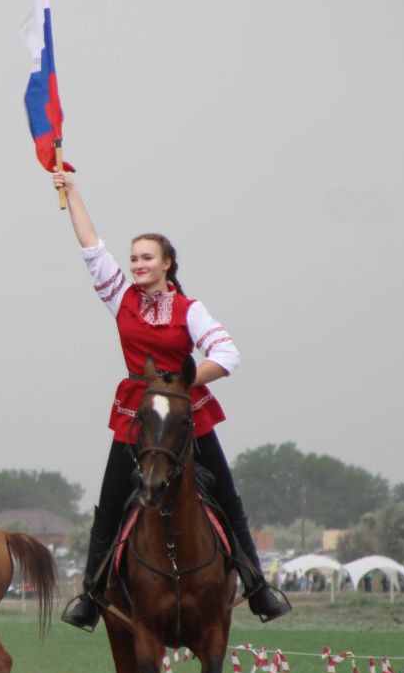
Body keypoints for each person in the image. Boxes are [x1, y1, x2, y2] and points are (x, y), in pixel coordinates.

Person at [51, 170, 291, 631]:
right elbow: (90, 248)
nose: (137, 264)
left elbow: (227, 354)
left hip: (185, 414)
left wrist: (179, 385)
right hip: (135, 416)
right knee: (109, 502)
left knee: (227, 494)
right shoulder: (119, 296)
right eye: (134, 258)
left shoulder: (189, 309)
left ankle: (258, 586)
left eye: (146, 258)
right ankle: (89, 594)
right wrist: (72, 191)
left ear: (166, 263)